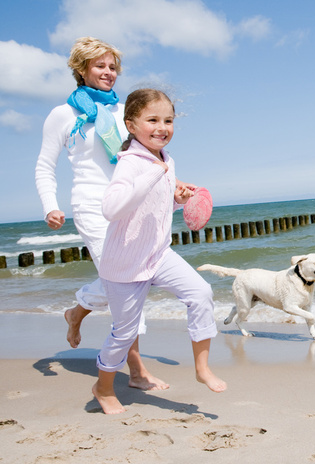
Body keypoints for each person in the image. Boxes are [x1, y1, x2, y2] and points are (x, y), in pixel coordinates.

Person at [35, 37, 168, 391]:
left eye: (113, 67)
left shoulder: (125, 111)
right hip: (92, 205)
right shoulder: (64, 115)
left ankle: (77, 310)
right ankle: (137, 372)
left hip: (129, 203)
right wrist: (51, 204)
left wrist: (172, 184)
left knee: (140, 274)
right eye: (100, 66)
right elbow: (45, 165)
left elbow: (146, 155)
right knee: (125, 281)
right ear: (81, 70)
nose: (108, 73)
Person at [93, 88, 226, 414]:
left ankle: (202, 368)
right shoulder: (131, 163)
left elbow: (156, 205)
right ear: (131, 124)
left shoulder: (166, 160)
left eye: (168, 120)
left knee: (201, 291)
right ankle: (103, 387)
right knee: (124, 333)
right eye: (152, 119)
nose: (162, 127)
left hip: (158, 253)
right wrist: (153, 173)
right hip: (124, 262)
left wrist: (178, 199)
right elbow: (111, 208)